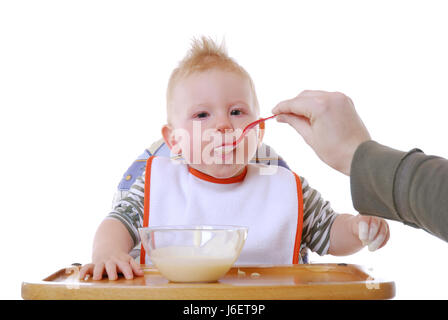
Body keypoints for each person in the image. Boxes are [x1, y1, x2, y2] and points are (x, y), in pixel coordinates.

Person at [79, 38, 389, 281]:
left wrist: (358, 229)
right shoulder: (156, 184)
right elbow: (118, 223)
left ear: (260, 131)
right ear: (174, 140)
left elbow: (329, 232)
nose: (223, 125)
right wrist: (107, 253)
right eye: (202, 114)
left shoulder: (284, 188)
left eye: (237, 112)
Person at [271, 90, 448, 243]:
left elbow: (325, 229)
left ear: (259, 130)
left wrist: (353, 229)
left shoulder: (280, 185)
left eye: (241, 111)